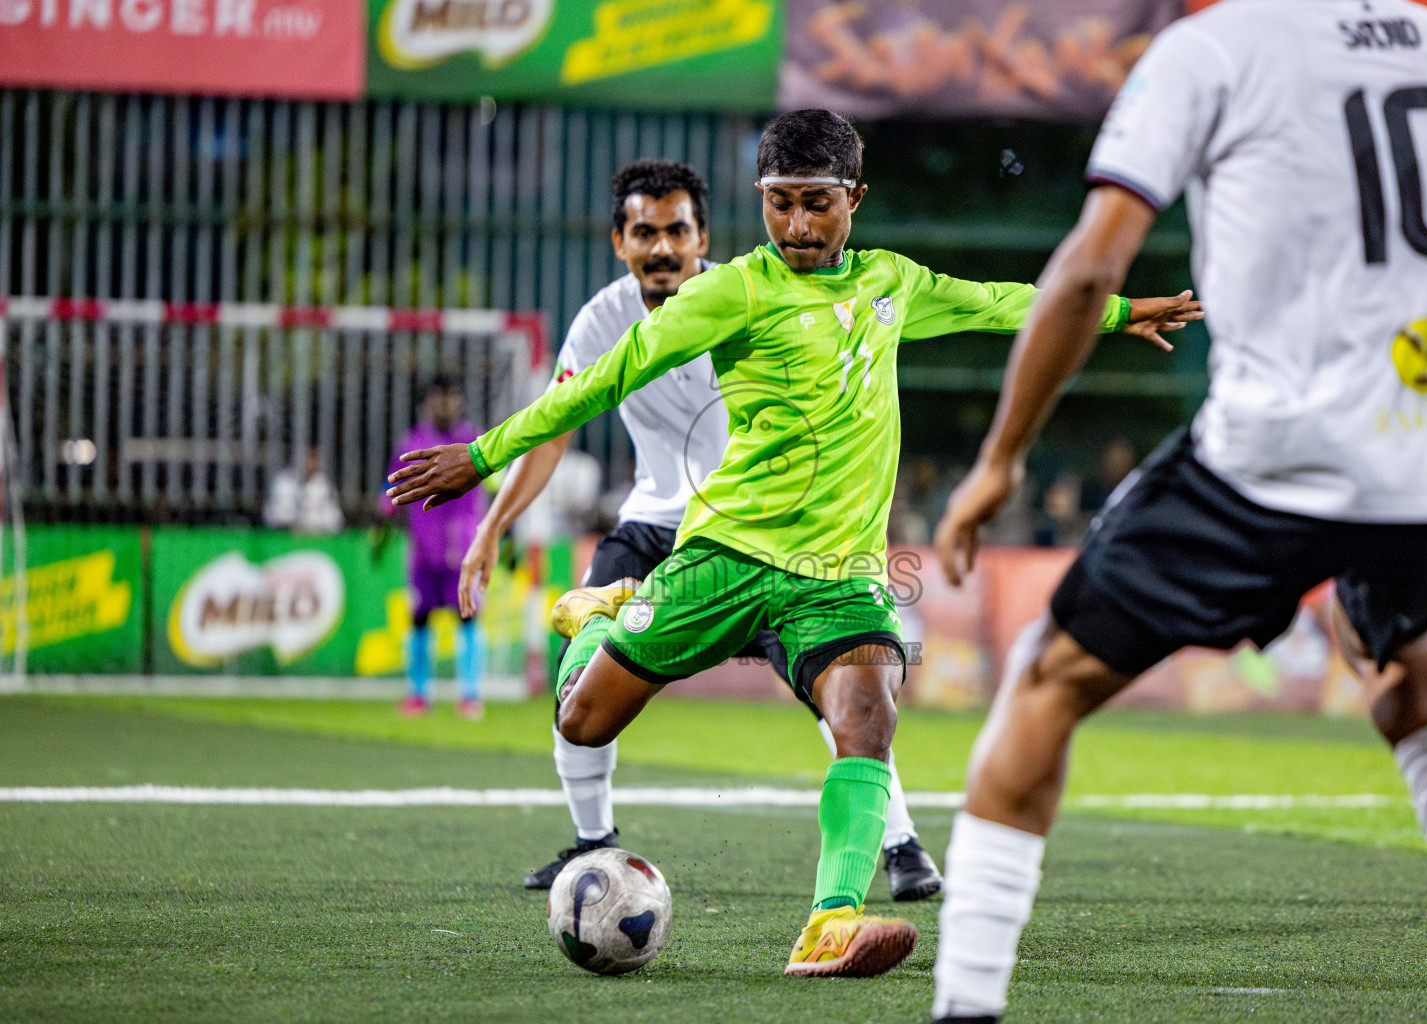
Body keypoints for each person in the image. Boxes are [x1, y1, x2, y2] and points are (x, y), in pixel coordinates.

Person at [388, 108, 1201, 979]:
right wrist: (479, 455)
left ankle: (830, 926)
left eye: (818, 203)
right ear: (761, 200)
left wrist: (1115, 313)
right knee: (582, 716)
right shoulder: (729, 291)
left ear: (855, 197)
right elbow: (610, 375)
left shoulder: (893, 283)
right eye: (780, 205)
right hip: (728, 555)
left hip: (838, 575)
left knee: (867, 721)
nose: (799, 226)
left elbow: (1000, 304)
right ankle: (598, 611)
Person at [928, 3, 1427, 1022]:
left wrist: (1001, 459)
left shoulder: (1213, 49)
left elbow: (1089, 267)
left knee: (1045, 675)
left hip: (1279, 455)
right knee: (1389, 637)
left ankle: (965, 1008)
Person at [458, 159, 946, 900]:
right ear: (619, 241)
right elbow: (557, 431)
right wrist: (494, 524)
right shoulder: (600, 321)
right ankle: (594, 842)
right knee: (581, 690)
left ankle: (902, 846)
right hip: (654, 528)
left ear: (702, 237)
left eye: (677, 231)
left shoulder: (756, 296)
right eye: (644, 232)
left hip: (762, 535)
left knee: (840, 683)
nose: (662, 248)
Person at [381, 376, 487, 720]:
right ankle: (418, 694)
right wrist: (383, 526)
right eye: (438, 399)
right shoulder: (413, 443)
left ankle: (470, 696)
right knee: (419, 618)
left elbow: (493, 485)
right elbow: (392, 492)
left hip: (463, 547)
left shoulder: (474, 440)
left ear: (460, 401)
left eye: (451, 397)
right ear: (427, 403)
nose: (445, 405)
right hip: (424, 549)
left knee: (468, 616)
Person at [264, 446, 344, 535]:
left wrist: (312, 528)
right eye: (308, 457)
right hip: (285, 537)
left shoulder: (325, 486)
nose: (310, 463)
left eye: (314, 458)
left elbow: (335, 519)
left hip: (318, 538)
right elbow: (273, 514)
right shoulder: (283, 482)